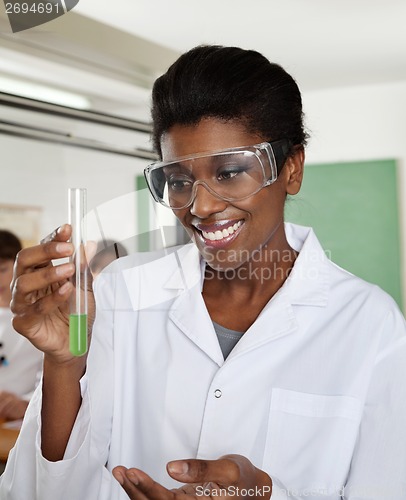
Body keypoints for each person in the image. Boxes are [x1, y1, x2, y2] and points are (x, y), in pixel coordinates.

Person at [1, 45, 406, 499]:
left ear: (291, 169)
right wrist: (65, 362)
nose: (201, 206)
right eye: (177, 180)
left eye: (230, 172)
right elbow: (39, 491)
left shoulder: (369, 324)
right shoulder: (118, 293)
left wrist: (265, 492)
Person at [0, 230, 43, 421]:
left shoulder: (38, 317)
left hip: (22, 421)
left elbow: (50, 379)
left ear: (18, 268)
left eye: (2, 270)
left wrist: (25, 404)